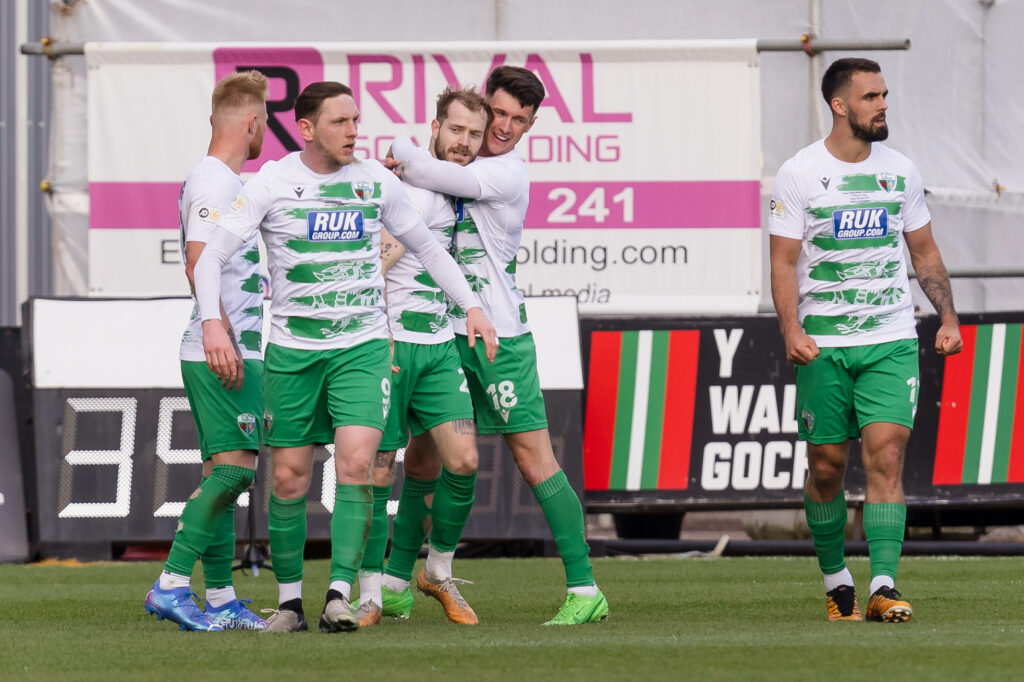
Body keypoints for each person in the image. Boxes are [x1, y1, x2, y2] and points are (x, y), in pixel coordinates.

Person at [193, 81, 497, 634]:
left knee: (358, 466)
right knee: (288, 479)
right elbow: (212, 256)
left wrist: (472, 306)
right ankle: (289, 604)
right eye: (340, 122)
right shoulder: (272, 183)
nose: (354, 132)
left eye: (356, 120)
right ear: (306, 129)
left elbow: (427, 248)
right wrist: (213, 321)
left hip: (360, 348)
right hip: (293, 353)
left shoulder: (377, 182)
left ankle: (339, 594)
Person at [389, 65, 609, 626]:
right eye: (501, 113)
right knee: (422, 457)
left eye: (520, 120)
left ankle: (585, 589)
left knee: (534, 459)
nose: (506, 127)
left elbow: (417, 161)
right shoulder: (458, 158)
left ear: (532, 126)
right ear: (486, 106)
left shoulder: (505, 173)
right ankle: (394, 583)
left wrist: (400, 153)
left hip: (498, 337)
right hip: (445, 329)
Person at [768, 57, 962, 623]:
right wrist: (791, 330)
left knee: (887, 456)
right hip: (823, 346)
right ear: (839, 105)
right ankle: (836, 582)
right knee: (827, 465)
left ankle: (882, 585)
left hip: (891, 338)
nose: (882, 105)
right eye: (871, 96)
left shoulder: (900, 170)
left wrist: (947, 316)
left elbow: (923, 253)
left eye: (884, 95)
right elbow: (783, 263)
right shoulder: (799, 173)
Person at [352, 86, 491, 627]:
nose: (464, 143)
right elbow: (376, 263)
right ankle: (369, 595)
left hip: (437, 349)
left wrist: (472, 309)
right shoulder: (411, 192)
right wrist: (376, 333)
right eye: (455, 130)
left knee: (465, 461)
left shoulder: (443, 187)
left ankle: (436, 571)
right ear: (435, 128)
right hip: (391, 348)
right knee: (378, 472)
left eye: (474, 135)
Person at [144, 70, 270, 632]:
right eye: (264, 122)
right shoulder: (218, 182)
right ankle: (171, 584)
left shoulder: (214, 178)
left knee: (222, 472)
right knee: (236, 474)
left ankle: (218, 596)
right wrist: (218, 329)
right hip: (223, 345)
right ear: (252, 123)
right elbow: (200, 260)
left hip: (220, 341)